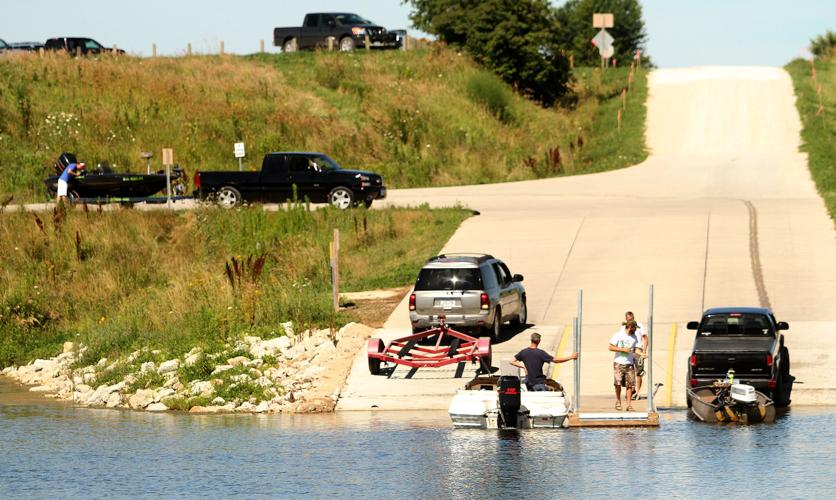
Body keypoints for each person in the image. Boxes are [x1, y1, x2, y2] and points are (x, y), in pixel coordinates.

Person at [510, 332, 578, 391]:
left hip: (529, 383)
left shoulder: (523, 352)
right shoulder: (541, 353)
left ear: (531, 340)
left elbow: (512, 361)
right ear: (539, 341)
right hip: (539, 383)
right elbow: (556, 360)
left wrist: (523, 366)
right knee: (557, 388)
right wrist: (571, 357)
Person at [609, 320, 639, 411]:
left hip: (629, 363)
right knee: (617, 383)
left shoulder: (634, 337)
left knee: (630, 385)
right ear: (630, 327)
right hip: (618, 362)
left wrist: (642, 354)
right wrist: (622, 350)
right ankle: (618, 401)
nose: (635, 330)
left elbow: (636, 349)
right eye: (634, 328)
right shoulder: (618, 335)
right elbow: (610, 347)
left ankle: (629, 405)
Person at [623, 311, 648, 399]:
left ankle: (637, 392)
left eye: (631, 319)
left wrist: (644, 351)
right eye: (628, 319)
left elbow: (645, 338)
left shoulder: (640, 326)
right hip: (629, 351)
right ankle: (631, 390)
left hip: (638, 350)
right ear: (626, 319)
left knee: (639, 372)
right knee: (630, 372)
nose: (630, 321)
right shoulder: (623, 327)